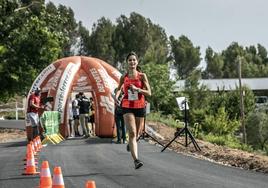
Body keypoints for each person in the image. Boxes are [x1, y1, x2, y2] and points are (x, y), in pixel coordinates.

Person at [116, 51, 151, 169]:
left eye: (134, 60)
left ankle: (131, 144)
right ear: (127, 63)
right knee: (131, 133)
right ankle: (136, 160)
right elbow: (118, 89)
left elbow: (149, 93)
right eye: (130, 60)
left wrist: (138, 89)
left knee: (137, 134)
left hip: (140, 106)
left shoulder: (142, 76)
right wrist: (116, 96)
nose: (132, 62)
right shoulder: (123, 77)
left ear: (137, 62)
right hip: (127, 106)